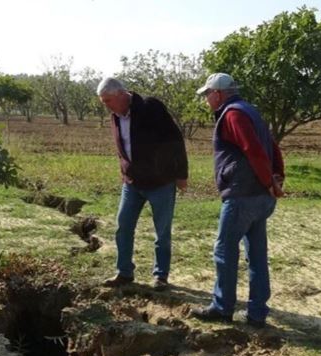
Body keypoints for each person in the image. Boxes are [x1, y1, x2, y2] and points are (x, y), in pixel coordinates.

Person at [190, 73, 285, 328]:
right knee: (256, 254)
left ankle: (222, 307)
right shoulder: (249, 110)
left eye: (207, 94)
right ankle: (257, 313)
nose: (206, 99)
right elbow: (272, 145)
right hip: (260, 197)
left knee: (224, 251)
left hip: (243, 196)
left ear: (218, 94)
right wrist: (276, 178)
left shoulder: (233, 114)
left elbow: (254, 149)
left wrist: (269, 181)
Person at [96, 77, 188, 291]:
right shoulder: (115, 116)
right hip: (132, 184)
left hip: (161, 182)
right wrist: (124, 171)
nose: (106, 106)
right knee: (123, 227)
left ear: (121, 94)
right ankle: (124, 272)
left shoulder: (150, 107)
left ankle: (160, 276)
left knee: (162, 232)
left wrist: (181, 174)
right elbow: (123, 146)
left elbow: (175, 140)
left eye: (108, 101)